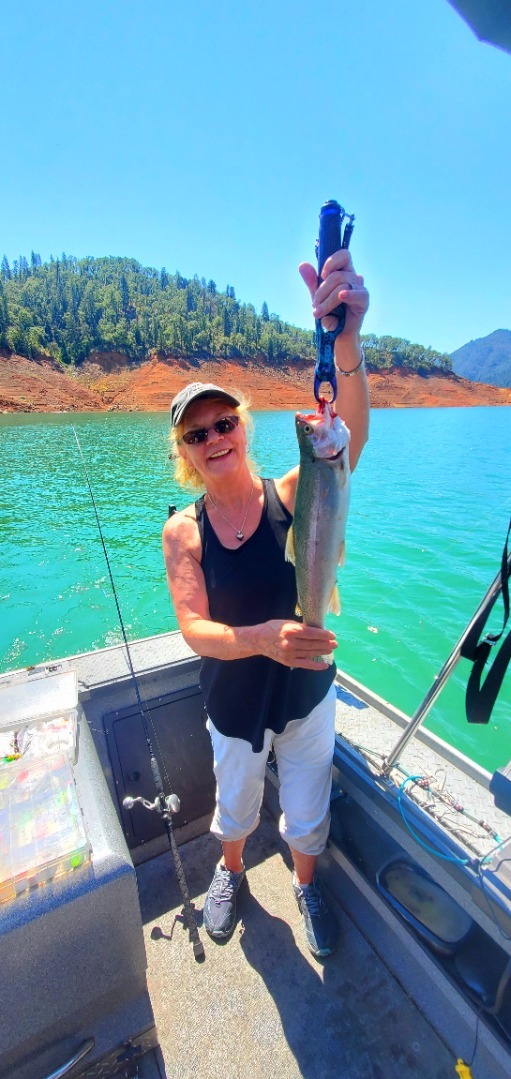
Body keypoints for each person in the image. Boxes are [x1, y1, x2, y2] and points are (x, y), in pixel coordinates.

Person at [162, 248, 369, 958]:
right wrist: (260, 638)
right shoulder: (182, 529)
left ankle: (305, 884)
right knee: (236, 806)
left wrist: (345, 341)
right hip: (235, 699)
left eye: (225, 424)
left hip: (307, 692)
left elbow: (351, 436)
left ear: (244, 427)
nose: (215, 439)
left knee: (308, 807)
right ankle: (230, 873)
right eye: (198, 434)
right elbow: (194, 628)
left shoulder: (294, 491)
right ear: (183, 451)